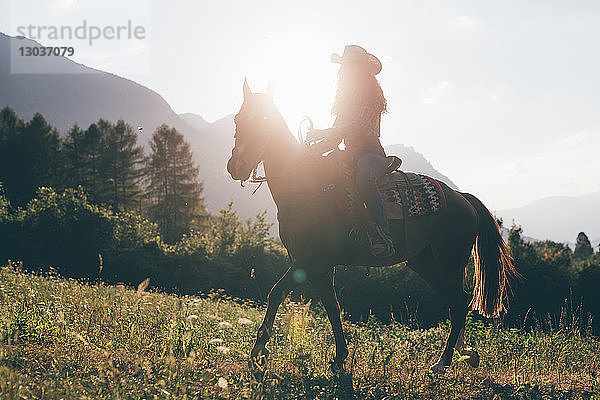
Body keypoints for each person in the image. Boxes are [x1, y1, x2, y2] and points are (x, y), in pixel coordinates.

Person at [307, 45, 395, 257]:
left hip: (371, 153)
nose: (346, 71)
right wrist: (316, 147)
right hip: (350, 154)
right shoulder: (345, 99)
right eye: (345, 67)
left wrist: (325, 132)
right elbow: (336, 135)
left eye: (350, 67)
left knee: (364, 177)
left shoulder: (371, 93)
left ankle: (383, 235)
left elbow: (360, 125)